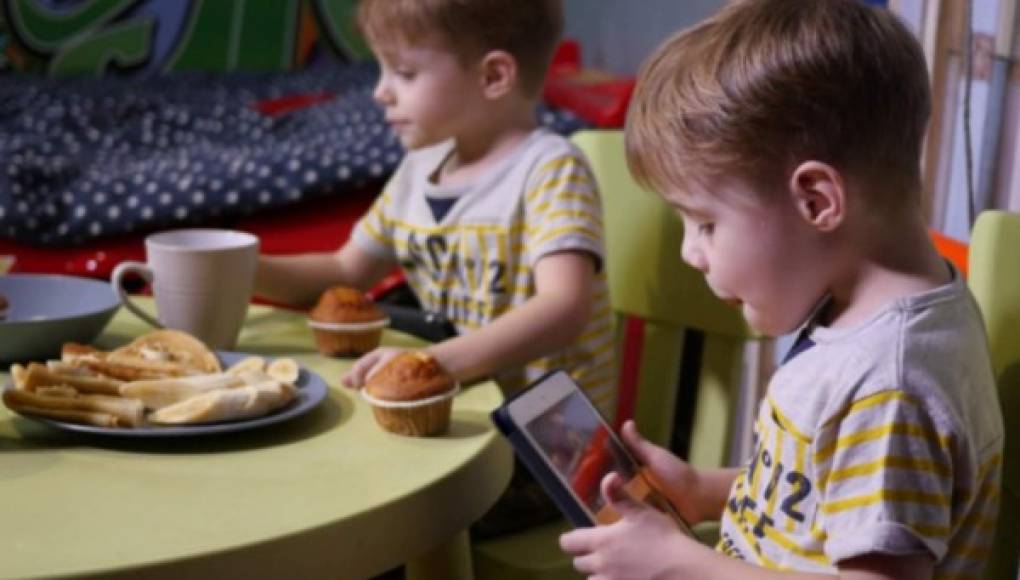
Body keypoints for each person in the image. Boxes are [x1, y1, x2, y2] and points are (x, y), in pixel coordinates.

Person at [559, 1, 1005, 578]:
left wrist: (678, 563)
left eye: (706, 224)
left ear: (817, 200)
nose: (689, 253)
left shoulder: (891, 388)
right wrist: (702, 490)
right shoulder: (872, 321)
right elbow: (822, 498)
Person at [255, 0, 616, 536]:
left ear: (494, 74)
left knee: (355, 515)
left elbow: (563, 308)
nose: (381, 91)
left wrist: (435, 363)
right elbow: (344, 269)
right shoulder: (417, 172)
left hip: (551, 457)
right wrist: (237, 263)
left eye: (404, 72)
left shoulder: (549, 168)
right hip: (458, 419)